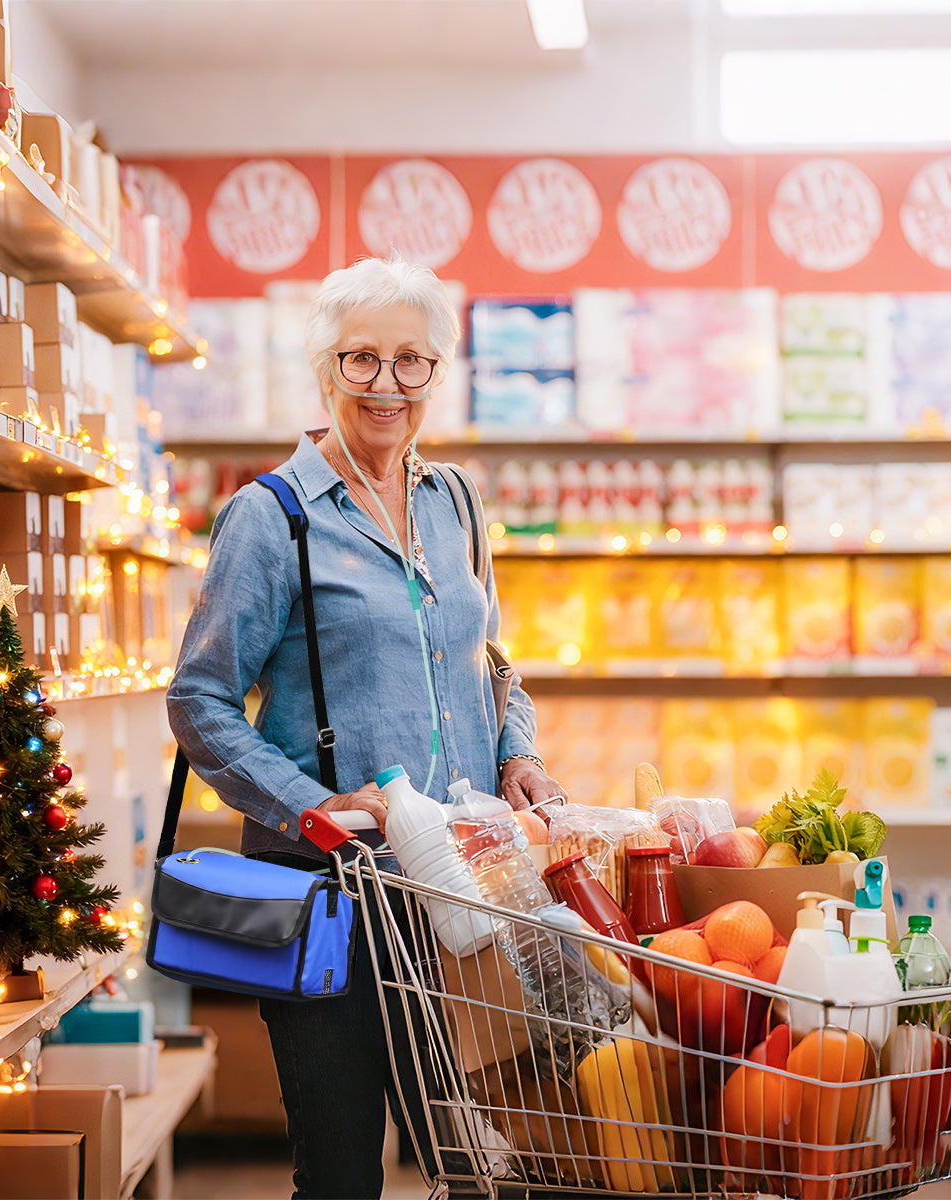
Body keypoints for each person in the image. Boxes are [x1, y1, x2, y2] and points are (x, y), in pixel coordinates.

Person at [166, 255, 565, 1199]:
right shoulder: (272, 520)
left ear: (437, 370)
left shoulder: (455, 500)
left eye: (410, 362)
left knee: (479, 1163)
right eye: (361, 360)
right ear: (324, 368)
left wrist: (519, 752)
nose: (386, 385)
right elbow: (199, 699)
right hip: (330, 896)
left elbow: (492, 660)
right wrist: (310, 805)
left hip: (462, 891)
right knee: (344, 1173)